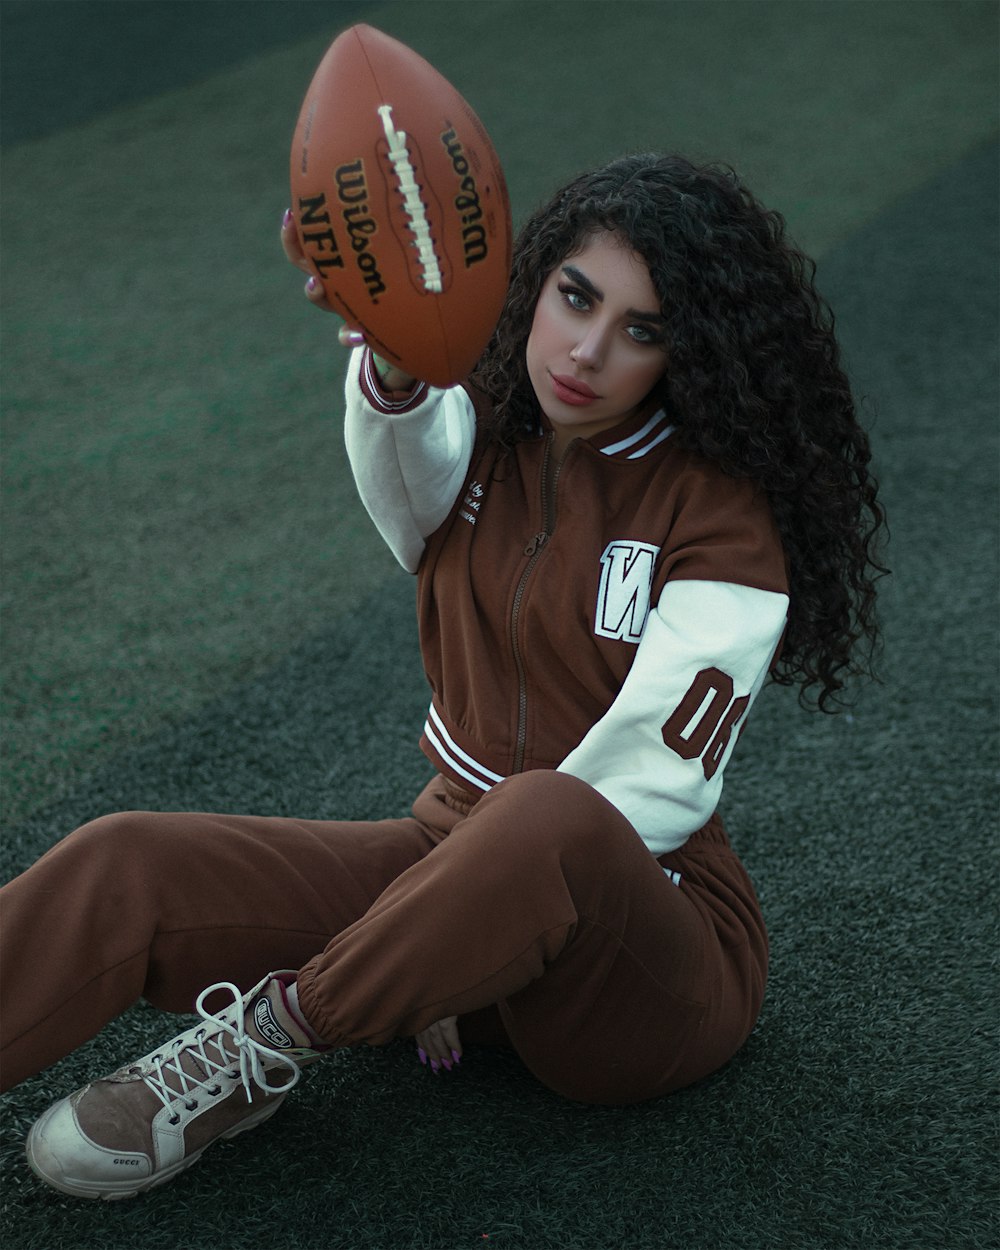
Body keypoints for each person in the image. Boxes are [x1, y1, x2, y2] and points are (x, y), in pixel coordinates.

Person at [0, 153, 886, 1201]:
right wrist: (396, 355)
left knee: (541, 813)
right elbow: (409, 463)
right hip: (447, 851)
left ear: (687, 355)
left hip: (644, 956)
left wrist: (450, 921)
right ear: (536, 285)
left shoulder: (724, 522)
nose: (588, 350)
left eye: (642, 330)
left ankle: (259, 1043)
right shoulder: (490, 432)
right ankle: (393, 972)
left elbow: (650, 785)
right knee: (128, 857)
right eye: (576, 297)